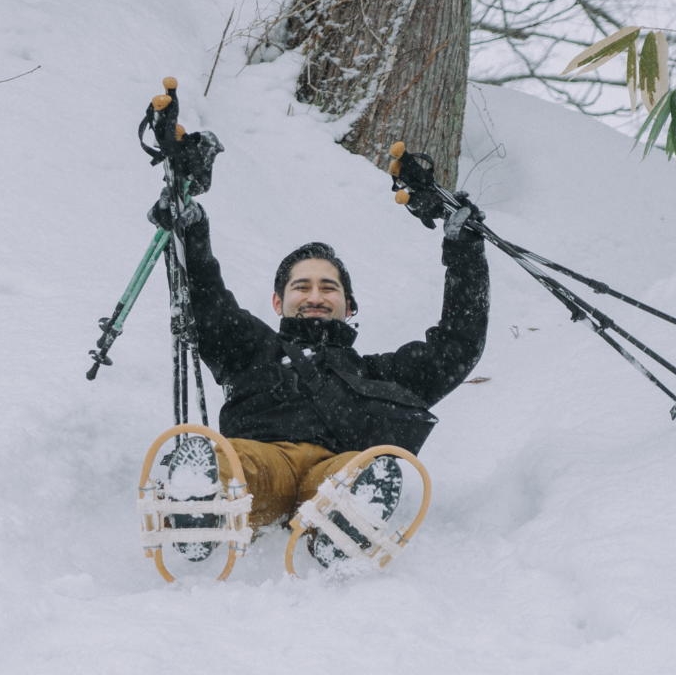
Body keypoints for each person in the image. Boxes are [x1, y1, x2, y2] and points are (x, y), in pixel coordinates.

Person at [157, 193, 490, 528]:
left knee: (355, 471)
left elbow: (455, 348)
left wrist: (465, 255)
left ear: (349, 306)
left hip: (333, 474)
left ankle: (345, 524)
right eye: (301, 287)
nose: (315, 297)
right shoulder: (249, 347)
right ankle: (201, 496)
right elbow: (205, 302)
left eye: (328, 288)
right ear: (278, 302)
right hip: (262, 467)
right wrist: (192, 231)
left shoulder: (374, 375)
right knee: (235, 463)